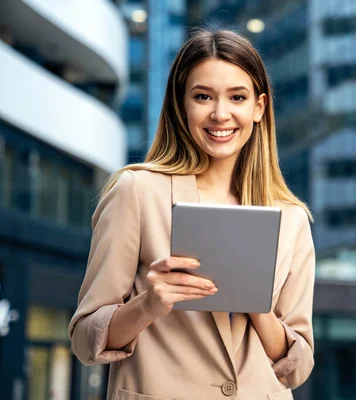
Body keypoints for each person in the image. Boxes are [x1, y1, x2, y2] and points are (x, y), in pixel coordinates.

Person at [68, 29, 316, 400]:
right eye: (203, 96)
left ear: (259, 108)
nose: (220, 114)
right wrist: (149, 303)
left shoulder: (291, 218)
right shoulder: (137, 192)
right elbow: (85, 340)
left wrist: (258, 307)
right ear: (181, 104)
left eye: (237, 97)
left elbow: (297, 366)